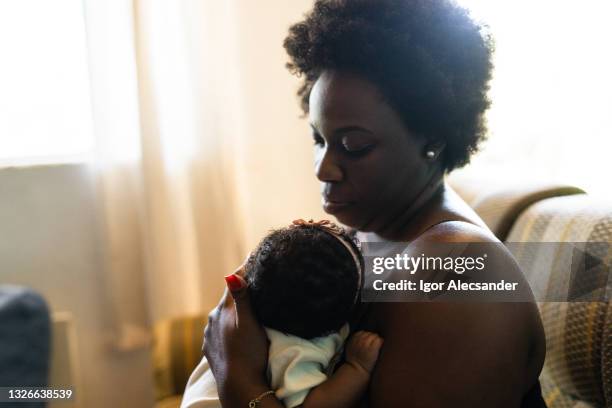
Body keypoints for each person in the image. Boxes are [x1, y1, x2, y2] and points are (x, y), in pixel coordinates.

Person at [188, 0, 547, 406]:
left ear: (432, 142)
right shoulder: (368, 231)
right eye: (318, 140)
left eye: (354, 145)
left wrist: (235, 373)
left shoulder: (456, 270)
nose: (324, 169)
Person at [181, 219, 384, 408]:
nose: (309, 221)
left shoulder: (267, 303)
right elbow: (314, 404)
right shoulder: (298, 348)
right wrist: (357, 369)